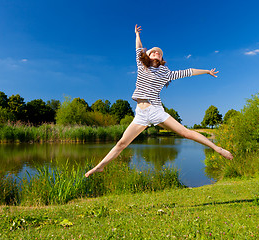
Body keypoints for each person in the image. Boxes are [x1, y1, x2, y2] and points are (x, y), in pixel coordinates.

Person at [85, 24, 233, 178]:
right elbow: (139, 49)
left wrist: (206, 71)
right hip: (140, 115)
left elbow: (188, 72)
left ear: (161, 59)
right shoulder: (141, 66)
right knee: (122, 143)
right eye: (153, 52)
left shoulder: (165, 72)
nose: (157, 53)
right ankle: (100, 167)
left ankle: (217, 149)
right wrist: (137, 35)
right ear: (148, 56)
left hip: (155, 110)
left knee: (185, 133)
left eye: (159, 53)